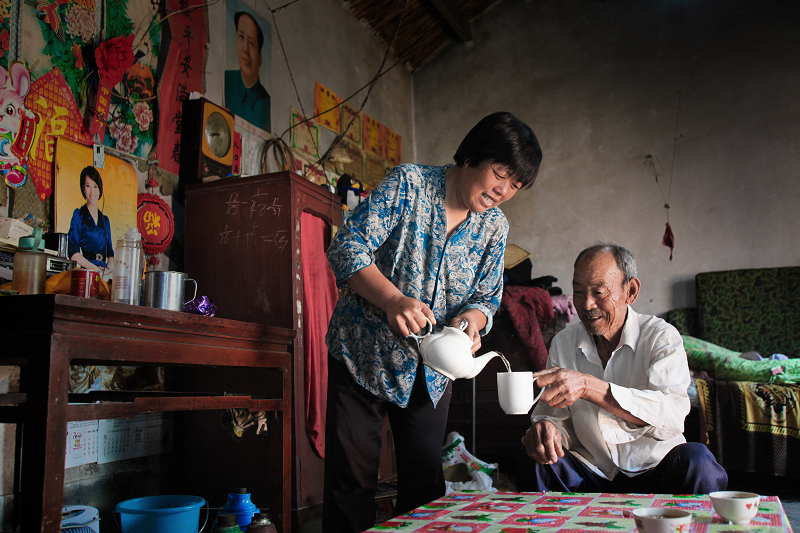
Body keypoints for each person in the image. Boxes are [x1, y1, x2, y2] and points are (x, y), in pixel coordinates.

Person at [324, 112, 543, 532]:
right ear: (473, 156)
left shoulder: (494, 228)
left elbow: (487, 298)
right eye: (500, 174)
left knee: (424, 489)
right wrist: (392, 300)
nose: (502, 191)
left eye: (515, 185)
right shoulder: (409, 185)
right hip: (362, 355)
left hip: (432, 372)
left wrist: (470, 323)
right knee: (351, 485)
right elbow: (347, 248)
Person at [517, 242, 727, 494]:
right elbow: (557, 419)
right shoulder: (564, 342)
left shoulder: (661, 337)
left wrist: (588, 386)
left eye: (599, 292)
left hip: (656, 469)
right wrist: (549, 430)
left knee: (698, 462)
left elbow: (670, 417)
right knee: (539, 462)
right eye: (579, 291)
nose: (587, 305)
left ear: (631, 291)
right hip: (591, 473)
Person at [224, 11, 270, 132]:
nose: (245, 49)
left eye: (251, 43)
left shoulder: (265, 102)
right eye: (241, 37)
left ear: (260, 58)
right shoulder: (226, 80)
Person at [68, 166, 114, 274]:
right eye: (88, 186)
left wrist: (108, 269)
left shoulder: (105, 220)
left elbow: (110, 253)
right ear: (83, 188)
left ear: (100, 188)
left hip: (104, 273)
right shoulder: (78, 215)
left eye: (95, 186)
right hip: (86, 272)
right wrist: (96, 269)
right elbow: (73, 253)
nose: (92, 191)